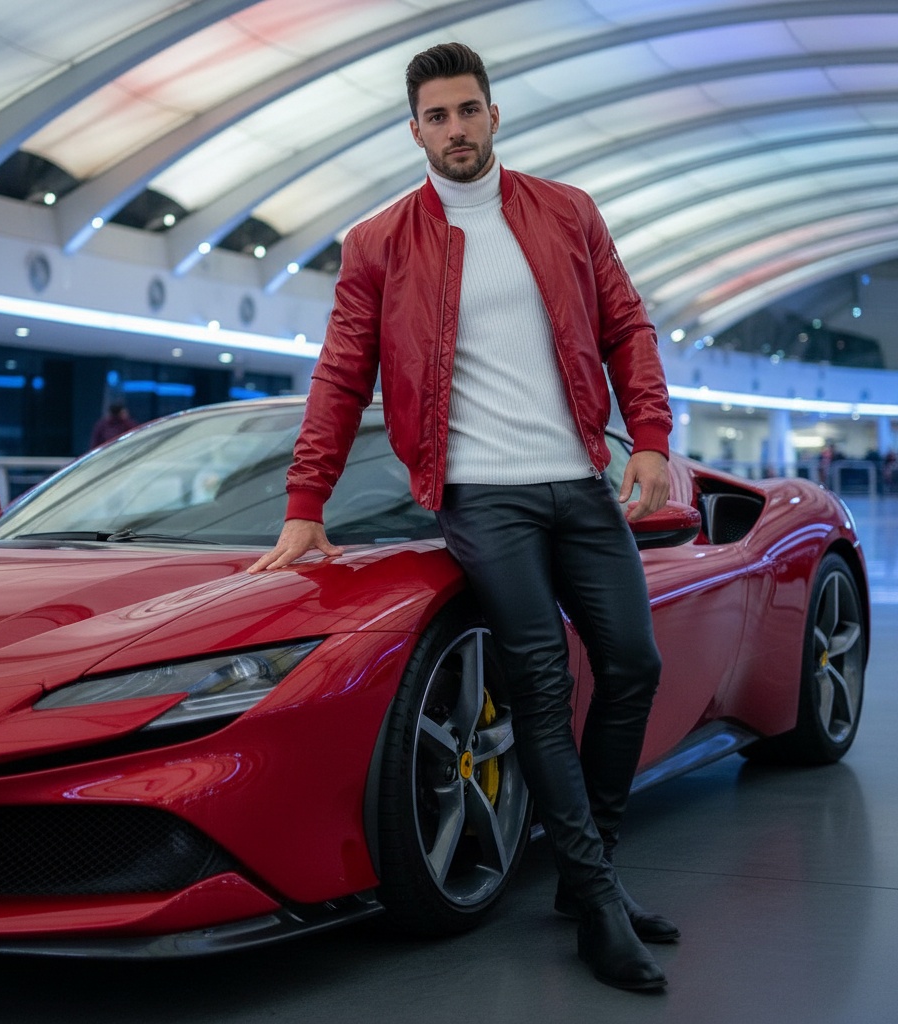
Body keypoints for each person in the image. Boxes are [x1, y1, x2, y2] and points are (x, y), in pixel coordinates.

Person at [249, 42, 675, 991]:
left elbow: (626, 326)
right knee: (537, 677)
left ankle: (584, 868)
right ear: (416, 131)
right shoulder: (379, 243)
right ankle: (600, 901)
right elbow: (340, 377)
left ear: (494, 114)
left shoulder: (566, 212)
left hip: (580, 477)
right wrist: (303, 504)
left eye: (468, 110)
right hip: (483, 492)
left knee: (633, 662)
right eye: (436, 117)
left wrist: (647, 432)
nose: (455, 129)